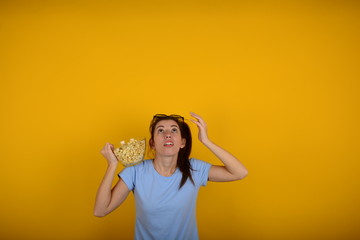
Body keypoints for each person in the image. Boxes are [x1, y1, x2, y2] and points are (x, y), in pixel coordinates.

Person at [94, 112, 248, 240]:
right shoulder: (135, 171)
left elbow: (240, 172)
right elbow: (100, 211)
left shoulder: (194, 169)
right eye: (160, 130)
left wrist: (206, 140)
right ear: (152, 143)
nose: (167, 134)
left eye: (174, 130)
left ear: (182, 142)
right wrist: (112, 165)